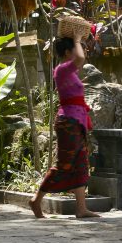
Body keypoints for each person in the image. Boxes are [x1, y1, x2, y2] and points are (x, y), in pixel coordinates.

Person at [28, 36, 101, 219]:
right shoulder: (61, 69)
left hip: (77, 122)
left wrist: (78, 41)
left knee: (80, 165)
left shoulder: (70, 72)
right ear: (68, 52)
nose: (80, 50)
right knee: (64, 164)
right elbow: (81, 58)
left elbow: (80, 58)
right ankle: (36, 200)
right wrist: (77, 38)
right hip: (68, 122)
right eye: (76, 48)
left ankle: (81, 208)